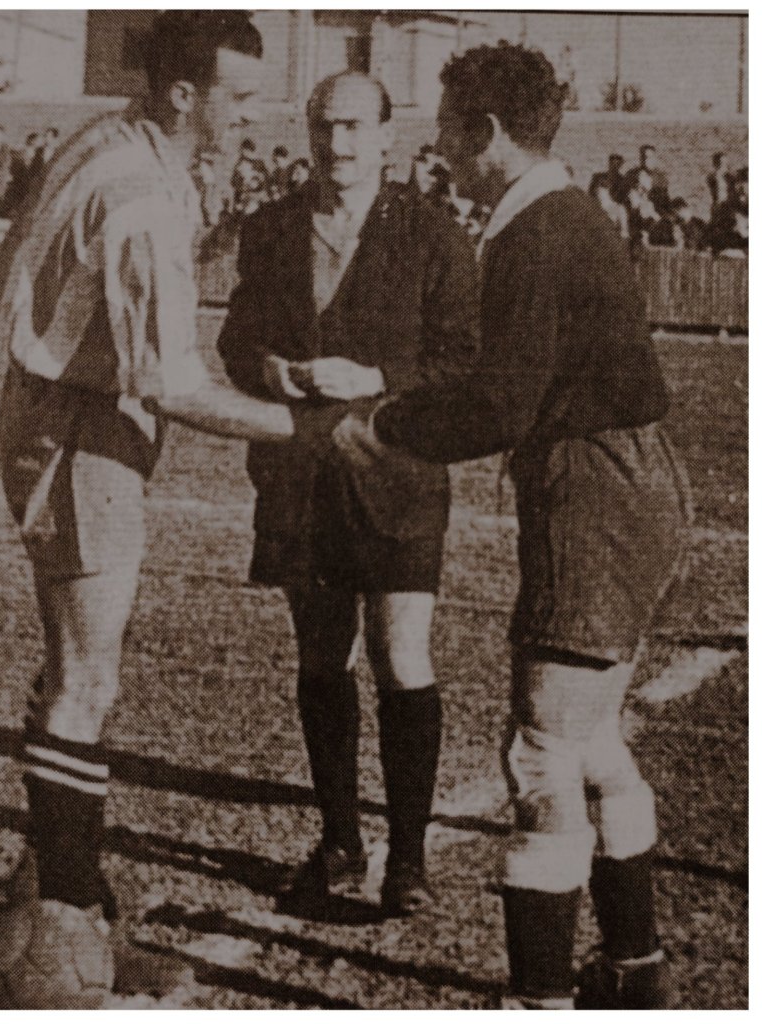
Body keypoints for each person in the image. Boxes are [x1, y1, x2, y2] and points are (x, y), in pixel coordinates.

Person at [334, 41, 689, 1010]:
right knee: (591, 737)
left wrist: (384, 429)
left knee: (541, 749)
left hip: (594, 494)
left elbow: (502, 404)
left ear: (485, 131)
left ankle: (540, 999)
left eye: (448, 131)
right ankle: (634, 971)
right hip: (628, 482)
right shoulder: (559, 216)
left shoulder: (534, 231)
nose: (440, 151)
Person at [0, 11, 305, 1008]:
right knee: (87, 676)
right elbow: (170, 381)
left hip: (62, 410)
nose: (253, 117)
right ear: (182, 95)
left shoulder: (114, 138)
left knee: (73, 665)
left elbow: (8, 256)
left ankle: (56, 892)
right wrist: (305, 430)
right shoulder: (137, 198)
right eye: (239, 99)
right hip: (83, 431)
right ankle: (68, 927)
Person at [218, 71, 480, 918]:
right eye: (325, 126)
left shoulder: (432, 233)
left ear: (388, 135)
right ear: (308, 131)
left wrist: (374, 377)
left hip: (398, 475)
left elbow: (463, 360)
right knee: (321, 656)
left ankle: (408, 863)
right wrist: (271, 370)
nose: (339, 144)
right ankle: (339, 843)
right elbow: (237, 339)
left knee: (401, 654)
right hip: (300, 475)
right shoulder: (271, 227)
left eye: (356, 127)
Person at [624, 144, 669, 216]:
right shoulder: (632, 174)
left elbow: (665, 199)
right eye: (644, 157)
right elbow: (628, 196)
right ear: (640, 159)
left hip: (657, 209)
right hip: (638, 211)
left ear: (655, 159)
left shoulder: (661, 177)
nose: (646, 160)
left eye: (650, 158)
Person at [231, 136, 269, 212]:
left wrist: (257, 182)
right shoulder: (239, 163)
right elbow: (233, 181)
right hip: (242, 198)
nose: (241, 153)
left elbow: (266, 180)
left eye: (242, 150)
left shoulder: (260, 163)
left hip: (255, 198)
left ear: (246, 150)